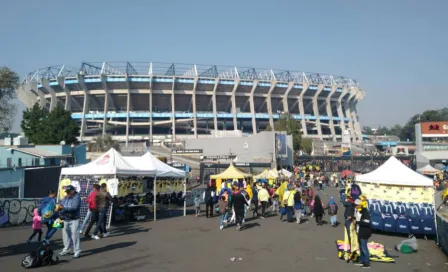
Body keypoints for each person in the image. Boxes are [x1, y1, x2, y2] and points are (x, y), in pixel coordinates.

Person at [58, 185, 81, 259]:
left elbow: (74, 207)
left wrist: (63, 208)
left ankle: (77, 251)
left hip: (74, 219)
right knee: (65, 235)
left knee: (75, 235)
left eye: (68, 192)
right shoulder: (65, 197)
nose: (67, 193)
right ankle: (66, 249)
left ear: (72, 191)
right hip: (65, 218)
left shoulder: (77, 197)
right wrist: (60, 212)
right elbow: (61, 205)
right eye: (66, 192)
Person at [354, 199, 372, 269]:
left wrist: (358, 222)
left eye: (356, 205)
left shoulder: (365, 212)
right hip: (361, 232)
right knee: (361, 247)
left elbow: (367, 222)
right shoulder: (362, 211)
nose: (355, 207)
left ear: (359, 205)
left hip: (365, 233)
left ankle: (367, 263)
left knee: (364, 248)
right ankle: (361, 260)